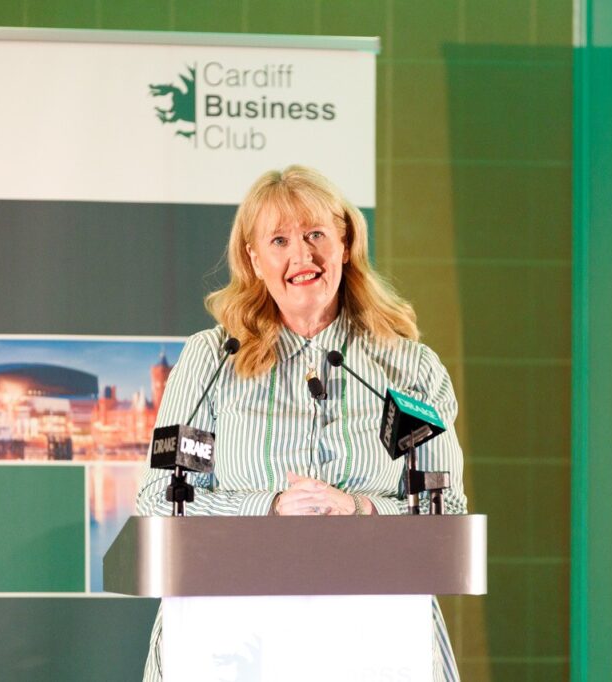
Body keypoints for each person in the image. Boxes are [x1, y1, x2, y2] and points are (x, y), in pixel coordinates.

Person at [135, 165, 467, 681]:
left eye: (316, 235)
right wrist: (269, 507)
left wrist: (357, 507)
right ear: (253, 258)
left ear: (345, 243)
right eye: (279, 240)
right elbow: (161, 500)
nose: (301, 256)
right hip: (229, 636)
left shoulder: (408, 370)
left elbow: (444, 514)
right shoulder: (211, 362)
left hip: (381, 635)